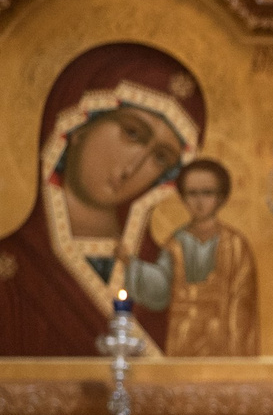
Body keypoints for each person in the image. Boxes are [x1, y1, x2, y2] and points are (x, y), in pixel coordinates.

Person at [0, 42, 204, 357]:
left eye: (161, 158)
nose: (134, 167)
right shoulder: (11, 267)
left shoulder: (164, 279)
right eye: (133, 133)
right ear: (78, 123)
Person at [124, 157, 259, 357]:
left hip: (222, 333)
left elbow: (243, 297)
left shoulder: (235, 244)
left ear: (221, 197)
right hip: (184, 332)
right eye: (192, 194)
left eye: (207, 193)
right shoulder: (176, 243)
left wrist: (234, 339)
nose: (199, 201)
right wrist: (131, 264)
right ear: (183, 197)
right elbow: (161, 289)